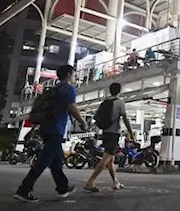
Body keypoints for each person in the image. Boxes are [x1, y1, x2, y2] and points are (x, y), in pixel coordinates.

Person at [14, 64, 87, 203]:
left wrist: (32, 129)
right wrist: (82, 122)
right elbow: (72, 108)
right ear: (68, 75)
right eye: (74, 73)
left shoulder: (53, 90)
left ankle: (62, 187)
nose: (75, 76)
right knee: (43, 161)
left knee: (56, 161)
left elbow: (45, 113)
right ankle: (24, 189)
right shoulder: (68, 89)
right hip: (56, 130)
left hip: (46, 129)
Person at [85, 82, 133, 192]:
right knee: (106, 159)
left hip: (105, 133)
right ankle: (90, 181)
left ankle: (116, 182)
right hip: (113, 134)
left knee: (110, 160)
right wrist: (130, 132)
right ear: (119, 91)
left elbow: (97, 117)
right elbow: (125, 119)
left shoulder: (105, 102)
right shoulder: (120, 103)